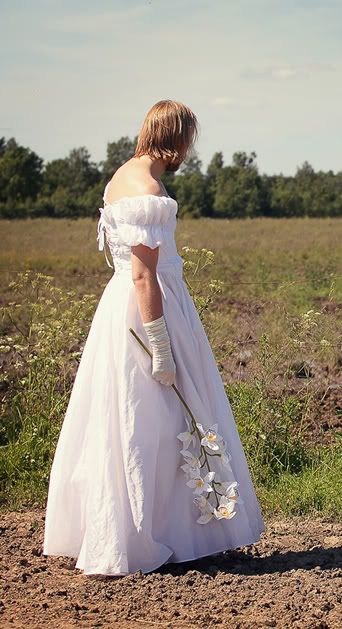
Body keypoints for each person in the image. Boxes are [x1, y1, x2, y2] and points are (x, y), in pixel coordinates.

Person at [43, 100, 264, 575]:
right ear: (177, 138)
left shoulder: (120, 175)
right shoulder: (148, 190)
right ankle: (156, 534)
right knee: (161, 420)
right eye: (189, 138)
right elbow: (144, 275)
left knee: (129, 419)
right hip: (149, 309)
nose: (190, 148)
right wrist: (161, 347)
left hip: (121, 308)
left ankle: (146, 527)